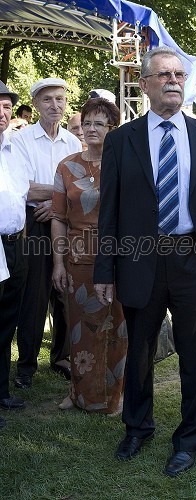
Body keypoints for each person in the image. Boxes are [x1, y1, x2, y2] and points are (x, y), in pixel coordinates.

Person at [93, 46, 196, 477]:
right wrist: (104, 269)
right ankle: (137, 428)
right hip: (140, 261)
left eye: (178, 74)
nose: (173, 80)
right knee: (140, 352)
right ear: (144, 84)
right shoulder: (121, 140)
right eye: (164, 74)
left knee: (195, 355)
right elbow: (110, 211)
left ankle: (189, 439)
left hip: (194, 261)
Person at [51, 98, 127, 414]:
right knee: (80, 328)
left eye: (99, 123)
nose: (91, 128)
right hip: (78, 259)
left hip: (118, 257)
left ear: (112, 129)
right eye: (87, 122)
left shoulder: (125, 164)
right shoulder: (67, 166)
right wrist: (58, 262)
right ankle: (79, 393)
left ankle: (113, 397)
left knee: (116, 328)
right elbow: (58, 216)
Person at [11, 78, 82, 389]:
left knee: (67, 294)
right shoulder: (22, 140)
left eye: (60, 99)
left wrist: (55, 202)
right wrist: (60, 198)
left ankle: (62, 357)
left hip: (67, 222)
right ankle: (26, 365)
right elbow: (23, 187)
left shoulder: (73, 142)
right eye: (48, 100)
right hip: (35, 223)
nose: (55, 105)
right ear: (36, 104)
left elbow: (82, 186)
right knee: (35, 298)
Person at [0, 81, 30, 429]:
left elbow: (27, 192)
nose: (2, 113)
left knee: (7, 322)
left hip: (16, 244)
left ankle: (1, 391)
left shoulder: (14, 148)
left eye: (7, 107)